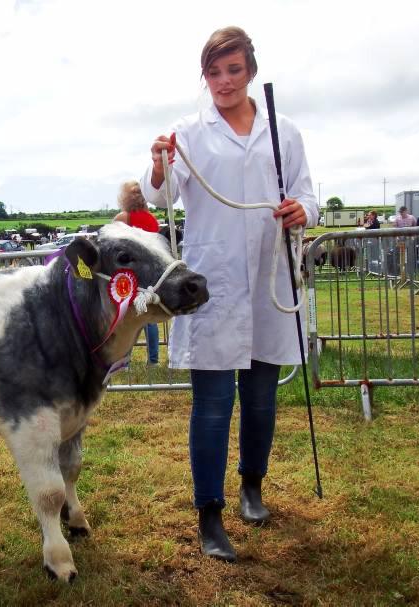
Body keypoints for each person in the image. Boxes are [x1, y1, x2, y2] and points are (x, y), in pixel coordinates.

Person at [140, 26, 319, 562]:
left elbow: (308, 194)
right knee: (213, 405)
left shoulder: (283, 131)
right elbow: (161, 194)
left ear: (251, 71)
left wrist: (302, 211)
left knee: (261, 397)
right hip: (212, 282)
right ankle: (210, 514)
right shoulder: (188, 133)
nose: (224, 81)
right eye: (214, 72)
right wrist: (158, 164)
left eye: (233, 70)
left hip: (268, 277)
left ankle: (252, 487)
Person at [113, 180, 161, 366]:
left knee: (126, 320)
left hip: (129, 276)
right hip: (151, 275)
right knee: (150, 320)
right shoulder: (152, 220)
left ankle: (124, 361)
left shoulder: (122, 218)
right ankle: (153, 360)